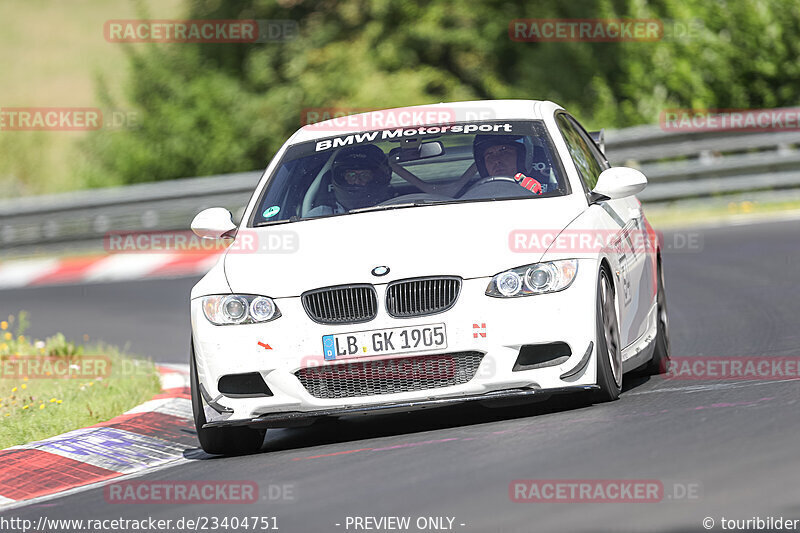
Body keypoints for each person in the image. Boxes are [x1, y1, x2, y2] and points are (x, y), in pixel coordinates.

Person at [307, 145, 392, 216]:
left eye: (364, 175)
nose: (357, 181)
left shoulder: (398, 206)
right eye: (351, 176)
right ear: (341, 178)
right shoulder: (320, 216)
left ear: (377, 177)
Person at [472, 135, 548, 194]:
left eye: (504, 151)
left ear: (522, 156)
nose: (496, 160)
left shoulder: (549, 190)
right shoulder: (473, 195)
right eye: (489, 154)